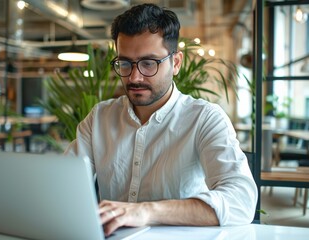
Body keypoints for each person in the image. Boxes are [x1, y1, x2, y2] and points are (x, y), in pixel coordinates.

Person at [65, 3, 257, 236]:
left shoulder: (204, 118)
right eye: (125, 63)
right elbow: (63, 187)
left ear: (175, 63)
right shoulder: (99, 118)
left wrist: (146, 212)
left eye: (149, 63)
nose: (135, 77)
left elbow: (241, 201)